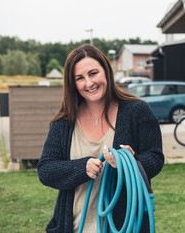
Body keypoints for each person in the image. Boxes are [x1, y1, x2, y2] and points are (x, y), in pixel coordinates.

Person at [37, 44, 164, 233]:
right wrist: (83, 167)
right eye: (80, 78)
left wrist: (130, 161)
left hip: (124, 227)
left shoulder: (136, 111)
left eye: (93, 73)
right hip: (74, 226)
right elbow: (45, 169)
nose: (89, 83)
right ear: (73, 84)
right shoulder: (65, 121)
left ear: (106, 71)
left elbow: (155, 158)